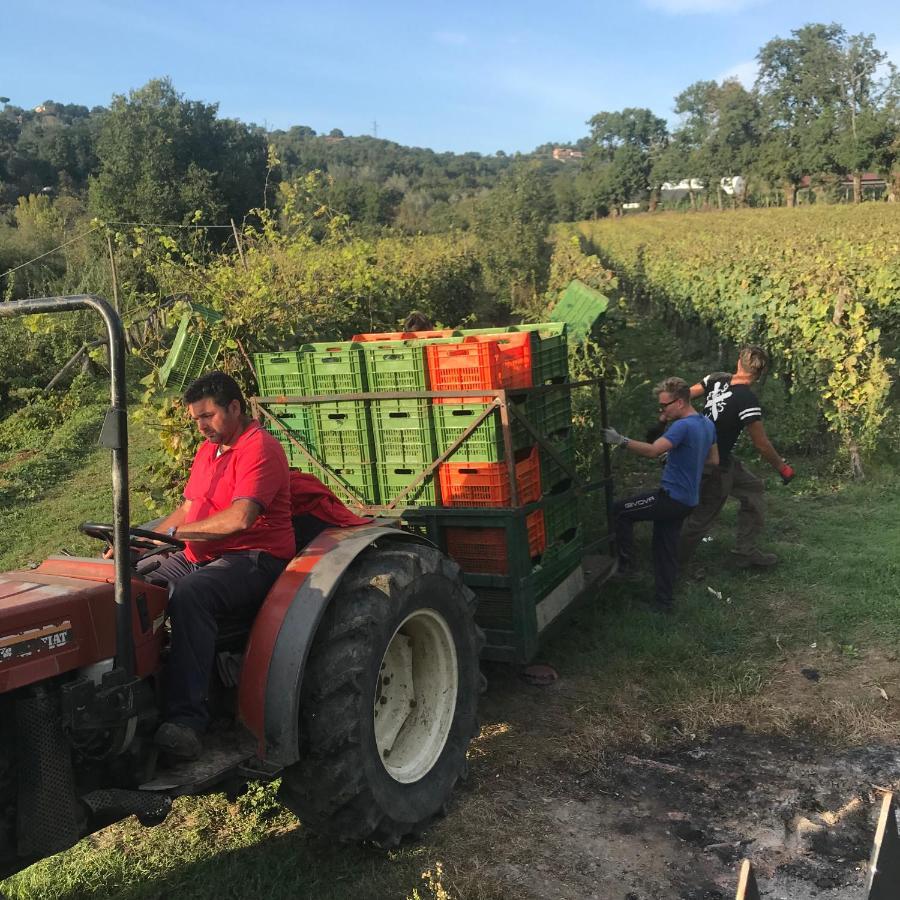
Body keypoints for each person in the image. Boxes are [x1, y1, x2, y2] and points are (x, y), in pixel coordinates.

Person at [147, 371, 295, 761]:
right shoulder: (208, 451)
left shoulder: (258, 448)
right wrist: (140, 542)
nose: (201, 426)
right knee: (134, 585)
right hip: (202, 555)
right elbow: (187, 509)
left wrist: (176, 534)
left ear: (235, 407)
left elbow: (240, 518)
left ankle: (187, 721)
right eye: (196, 419)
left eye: (208, 416)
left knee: (192, 595)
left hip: (254, 557)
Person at [602, 377, 718, 613]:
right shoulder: (706, 424)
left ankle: (626, 567)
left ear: (680, 402)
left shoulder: (682, 426)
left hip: (671, 498)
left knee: (620, 511)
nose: (662, 411)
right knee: (665, 549)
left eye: (665, 405)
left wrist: (619, 440)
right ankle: (663, 603)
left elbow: (654, 450)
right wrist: (681, 457)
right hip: (688, 500)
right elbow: (713, 461)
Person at [679, 346, 795, 570]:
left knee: (753, 489)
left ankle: (745, 552)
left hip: (712, 455)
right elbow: (761, 443)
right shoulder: (746, 399)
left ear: (739, 363)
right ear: (760, 374)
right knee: (702, 516)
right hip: (714, 463)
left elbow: (684, 397)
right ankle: (673, 564)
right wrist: (782, 467)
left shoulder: (716, 379)